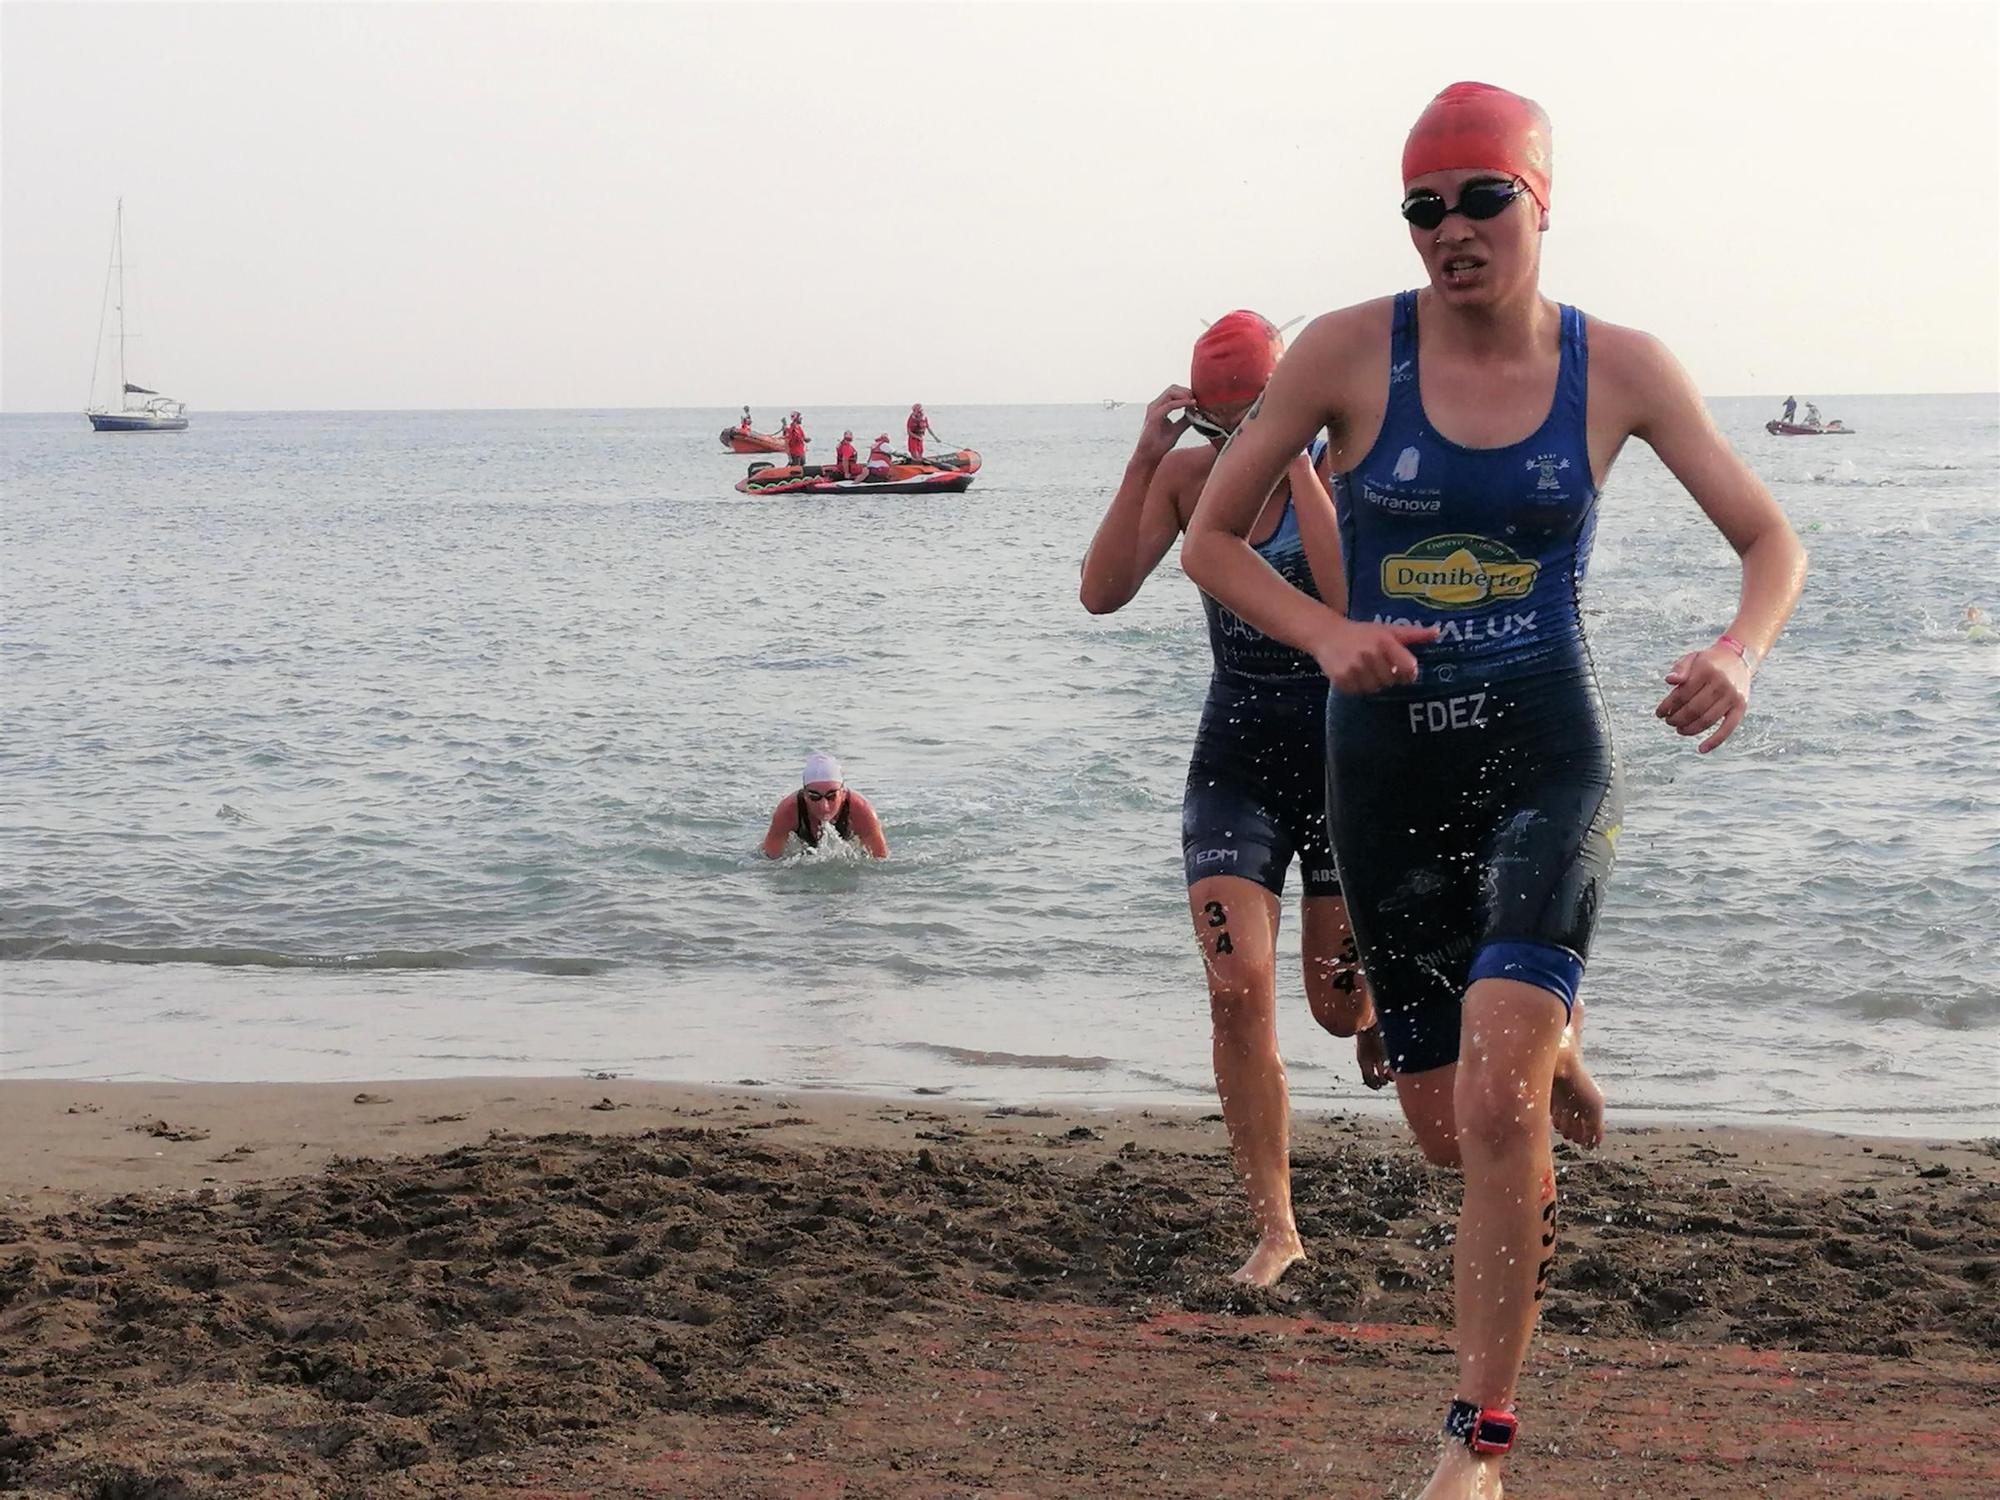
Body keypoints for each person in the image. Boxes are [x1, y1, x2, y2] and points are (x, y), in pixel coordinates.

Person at [1182, 82, 1805, 1498]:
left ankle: (1479, 1442)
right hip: (1385, 772)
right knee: (1450, 1124)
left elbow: (1771, 540)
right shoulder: (1347, 352)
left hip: (1544, 752)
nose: (1448, 230)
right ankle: (1548, 1048)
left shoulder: (1622, 369)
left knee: (1501, 1095)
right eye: (1422, 207)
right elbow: (1215, 543)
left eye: (1480, 199)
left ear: (1539, 202)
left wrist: (1738, 651)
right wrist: (1329, 633)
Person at [1081, 311, 1389, 1288]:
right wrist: (1146, 456)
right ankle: (1275, 1229)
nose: (1225, 442)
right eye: (1212, 424)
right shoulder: (1185, 479)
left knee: (1335, 1011)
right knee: (1233, 990)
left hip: (1340, 765)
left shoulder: (1340, 471)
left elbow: (1344, 605)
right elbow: (1100, 593)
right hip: (1235, 764)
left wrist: (1293, 456)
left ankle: (1380, 998)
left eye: (1240, 419)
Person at [761, 752, 889, 859]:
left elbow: (881, 862)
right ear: (804, 794)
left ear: (843, 793)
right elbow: (769, 860)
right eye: (814, 797)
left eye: (831, 796)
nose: (824, 806)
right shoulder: (788, 811)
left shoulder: (861, 811)